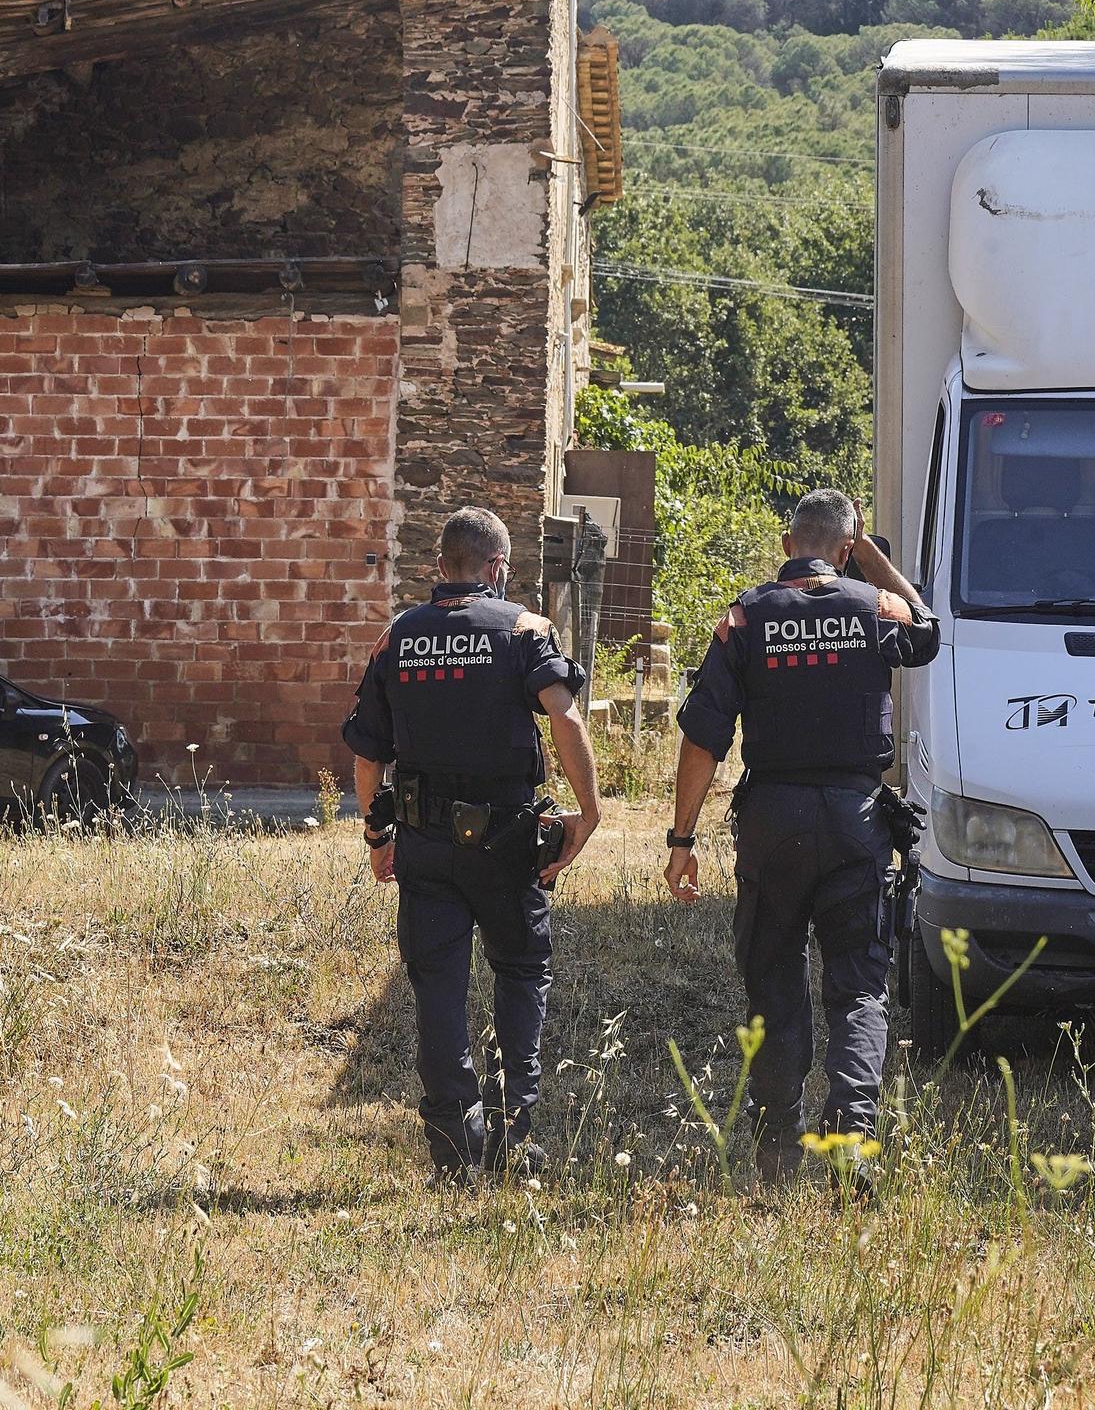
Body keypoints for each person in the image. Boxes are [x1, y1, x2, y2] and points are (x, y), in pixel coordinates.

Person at [664, 489, 940, 1183]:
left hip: (772, 823)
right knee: (857, 992)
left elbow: (703, 738)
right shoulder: (874, 608)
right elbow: (929, 631)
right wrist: (872, 562)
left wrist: (681, 837)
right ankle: (851, 1138)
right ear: (846, 551)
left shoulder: (745, 617)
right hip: (855, 822)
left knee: (775, 982)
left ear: (787, 545)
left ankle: (778, 1146)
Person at [344, 505, 602, 1184]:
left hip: (425, 843)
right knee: (519, 972)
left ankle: (453, 1150)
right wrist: (589, 811)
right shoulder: (523, 630)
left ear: (439, 568)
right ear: (495, 568)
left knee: (436, 990)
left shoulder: (397, 635)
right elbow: (564, 716)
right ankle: (514, 1134)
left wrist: (378, 833)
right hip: (507, 843)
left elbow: (366, 756)